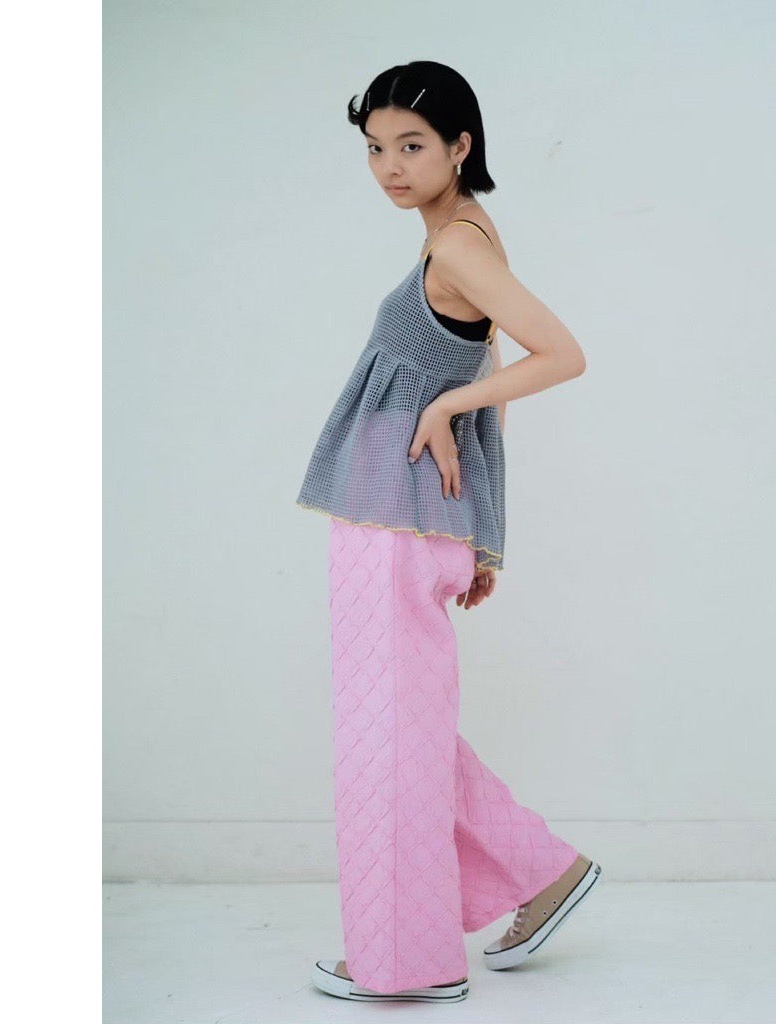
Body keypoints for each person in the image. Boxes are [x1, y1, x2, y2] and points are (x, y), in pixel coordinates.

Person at [297, 61, 601, 1005]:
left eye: (412, 145)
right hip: (409, 514)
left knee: (385, 736)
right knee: (403, 726)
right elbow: (493, 379)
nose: (390, 167)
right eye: (375, 148)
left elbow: (560, 355)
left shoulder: (460, 248)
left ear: (461, 146)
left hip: (394, 514)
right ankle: (542, 871)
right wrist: (483, 534)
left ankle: (406, 961)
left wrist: (446, 408)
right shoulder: (462, 235)